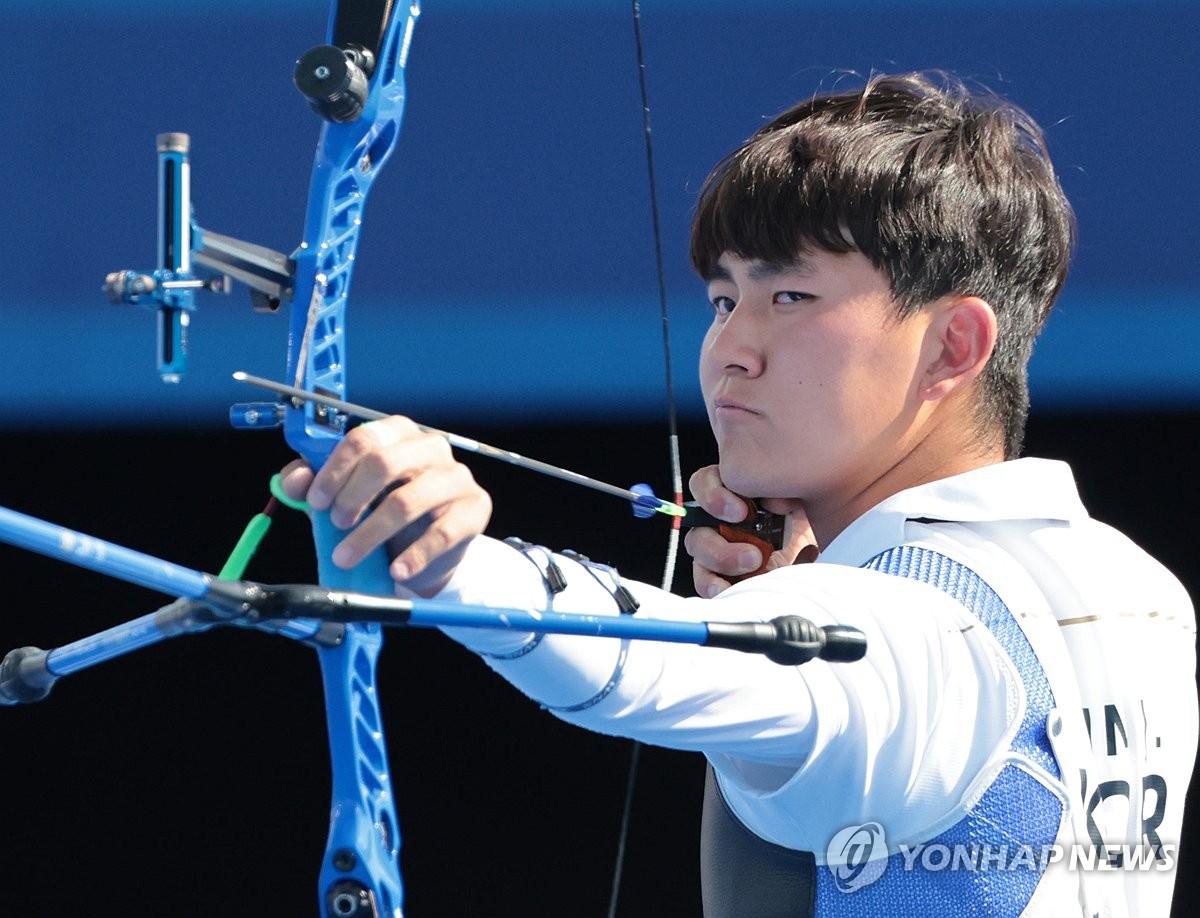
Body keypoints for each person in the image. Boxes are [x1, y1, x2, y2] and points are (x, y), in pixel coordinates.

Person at [281, 71, 1197, 916]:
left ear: (955, 346)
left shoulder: (907, 632)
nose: (732, 350)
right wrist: (804, 582)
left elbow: (648, 661)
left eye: (790, 296)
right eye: (724, 301)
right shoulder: (1140, 590)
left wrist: (453, 567)